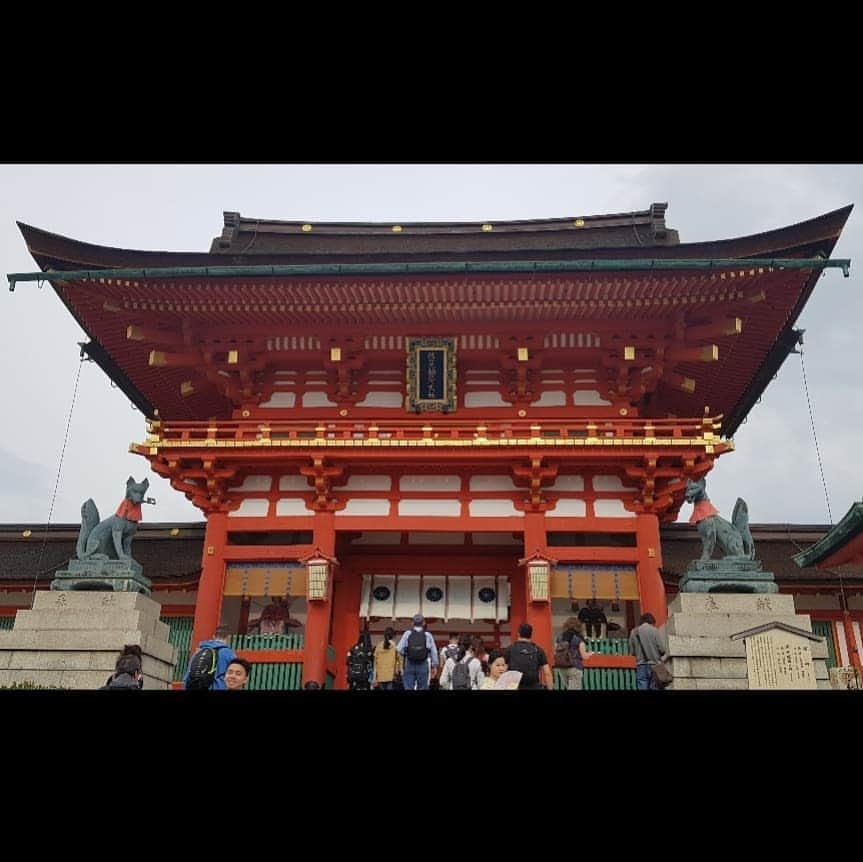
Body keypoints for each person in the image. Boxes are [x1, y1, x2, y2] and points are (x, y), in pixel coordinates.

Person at [183, 624, 238, 691]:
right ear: (228, 637)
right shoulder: (229, 654)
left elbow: (188, 675)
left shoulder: (199, 651)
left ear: (214, 637)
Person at [504, 622, 553, 690]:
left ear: (518, 634)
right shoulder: (538, 650)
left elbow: (503, 670)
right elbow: (547, 673)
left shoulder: (510, 649)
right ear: (531, 635)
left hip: (514, 686)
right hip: (534, 686)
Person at [396, 614, 439, 690]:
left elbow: (399, 649)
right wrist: (434, 666)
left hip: (409, 663)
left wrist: (405, 653)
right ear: (423, 623)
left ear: (412, 623)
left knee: (408, 687)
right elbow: (434, 652)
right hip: (423, 664)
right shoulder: (428, 635)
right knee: (422, 687)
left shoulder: (407, 634)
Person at [629, 612, 669, 690]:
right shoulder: (654, 630)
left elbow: (632, 652)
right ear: (652, 622)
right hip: (655, 666)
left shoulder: (633, 632)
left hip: (641, 665)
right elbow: (662, 649)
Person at [558, 619, 594, 691]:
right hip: (575, 667)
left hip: (562, 667)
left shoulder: (560, 638)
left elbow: (557, 651)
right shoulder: (578, 639)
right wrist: (590, 653)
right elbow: (584, 656)